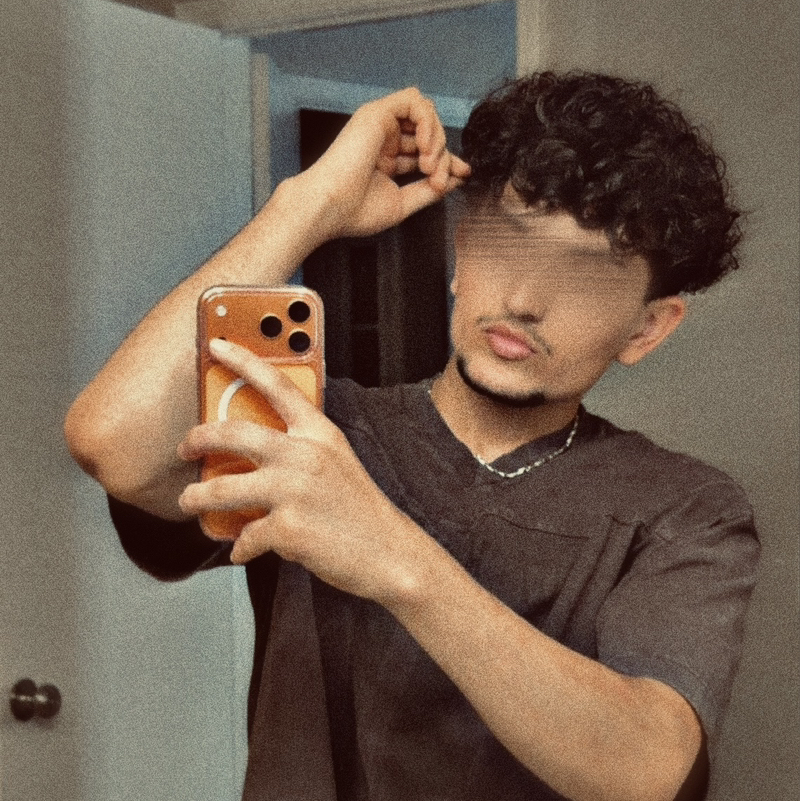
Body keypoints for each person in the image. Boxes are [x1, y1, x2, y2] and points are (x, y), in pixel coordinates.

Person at [64, 72, 759, 801]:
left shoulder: (684, 509)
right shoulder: (316, 433)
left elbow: (649, 769)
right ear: (462, 252)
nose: (524, 299)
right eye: (507, 245)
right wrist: (308, 206)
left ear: (647, 328)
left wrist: (392, 553)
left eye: (584, 277)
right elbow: (110, 441)